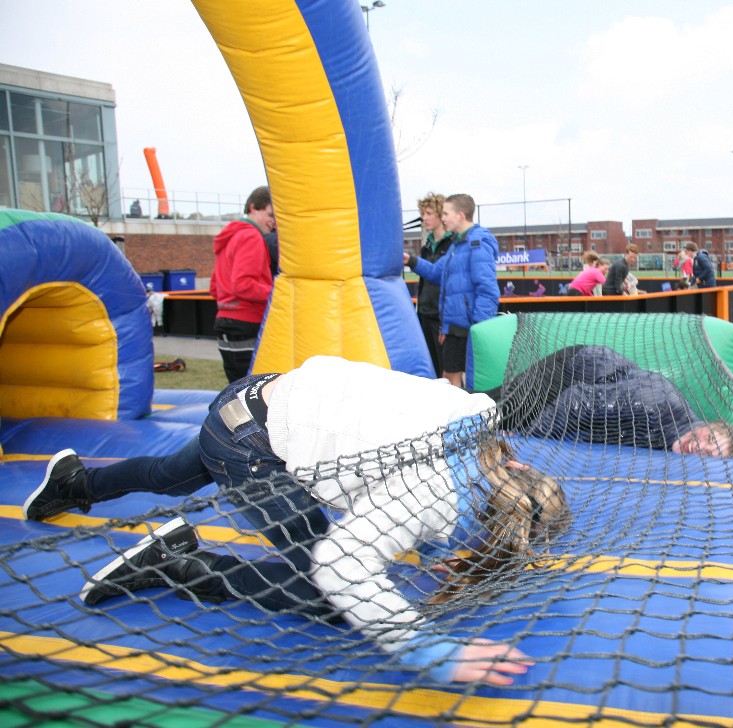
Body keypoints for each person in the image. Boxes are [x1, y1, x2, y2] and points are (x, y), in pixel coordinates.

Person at [26, 356, 570, 685]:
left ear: (519, 466)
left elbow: (428, 476)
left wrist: (430, 543)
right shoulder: (432, 495)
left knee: (171, 476)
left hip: (261, 394)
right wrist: (430, 651)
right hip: (251, 443)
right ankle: (174, 562)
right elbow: (340, 567)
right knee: (326, 594)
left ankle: (75, 482)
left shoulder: (477, 412)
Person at [486, 345, 733, 457]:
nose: (699, 447)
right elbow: (575, 401)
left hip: (594, 391)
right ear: (708, 425)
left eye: (710, 454)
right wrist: (527, 439)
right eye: (709, 438)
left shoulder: (675, 438)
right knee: (493, 414)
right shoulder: (656, 405)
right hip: (570, 374)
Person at [403, 194, 500, 388]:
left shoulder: (477, 243)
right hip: (455, 327)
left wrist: (478, 328)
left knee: (466, 381)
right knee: (449, 377)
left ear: (461, 215)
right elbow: (436, 272)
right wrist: (410, 261)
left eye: (446, 214)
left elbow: (488, 290)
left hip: (469, 328)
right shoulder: (457, 245)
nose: (443, 218)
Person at [209, 186, 276, 383]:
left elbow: (215, 287)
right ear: (253, 208)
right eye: (270, 214)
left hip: (225, 323)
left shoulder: (231, 236)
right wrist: (278, 293)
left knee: (236, 387)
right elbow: (243, 285)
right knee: (254, 387)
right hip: (247, 323)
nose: (273, 222)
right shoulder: (251, 237)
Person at [414, 192, 455, 378]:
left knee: (446, 368)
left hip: (441, 318)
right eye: (423, 214)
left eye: (429, 213)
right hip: (424, 314)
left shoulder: (452, 244)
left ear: (441, 215)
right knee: (430, 367)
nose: (425, 218)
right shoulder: (426, 247)